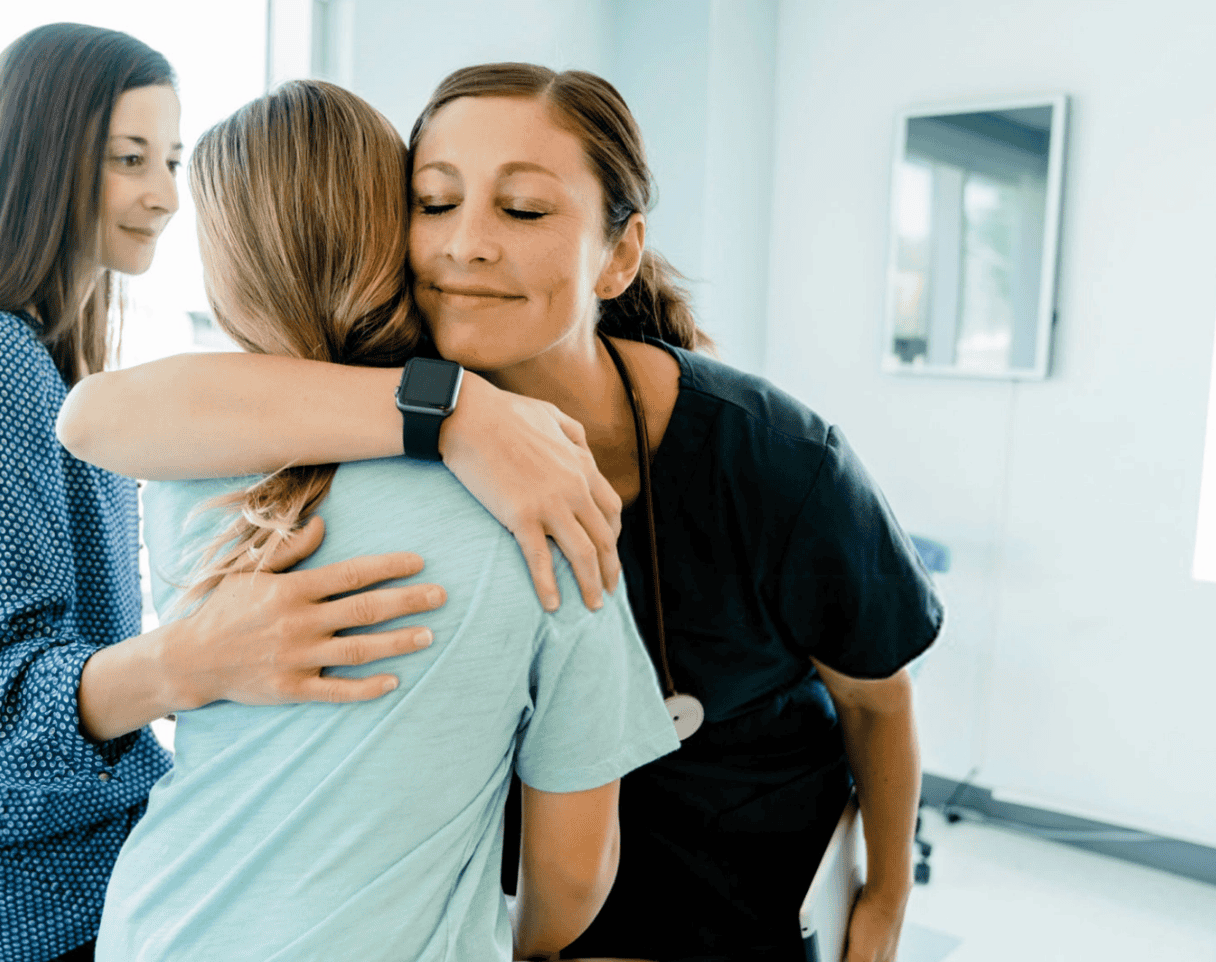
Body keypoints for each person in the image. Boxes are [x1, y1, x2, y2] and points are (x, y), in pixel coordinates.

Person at [61, 63, 942, 962]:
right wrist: (457, 415)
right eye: (435, 203)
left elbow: (877, 702)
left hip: (739, 909)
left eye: (523, 211)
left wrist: (883, 903)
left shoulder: (776, 461)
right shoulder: (355, 424)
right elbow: (97, 417)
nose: (466, 245)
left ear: (621, 254)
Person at [0, 27, 625, 962]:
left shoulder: (184, 434)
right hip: (24, 893)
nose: (162, 196)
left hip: (105, 877)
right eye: (128, 159)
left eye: (173, 162)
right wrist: (196, 660)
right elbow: (8, 704)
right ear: (38, 159)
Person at [92, 78, 680, 962]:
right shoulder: (548, 505)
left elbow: (98, 415)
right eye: (438, 202)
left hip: (160, 928)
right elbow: (574, 869)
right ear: (396, 233)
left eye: (518, 209)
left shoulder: (189, 470)